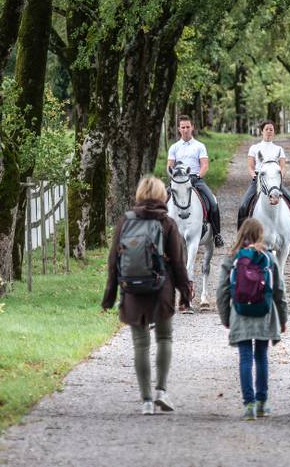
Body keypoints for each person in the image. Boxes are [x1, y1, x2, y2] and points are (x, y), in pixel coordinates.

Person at [101, 176, 192, 415]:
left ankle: (146, 401)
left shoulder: (125, 222)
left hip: (132, 290)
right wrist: (185, 294)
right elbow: (179, 264)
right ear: (163, 196)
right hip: (160, 289)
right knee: (164, 339)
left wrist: (109, 298)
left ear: (139, 195)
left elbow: (114, 262)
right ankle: (161, 389)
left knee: (140, 345)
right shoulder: (167, 224)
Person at [217, 218, 288, 420]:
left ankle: (248, 405)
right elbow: (279, 292)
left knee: (245, 357)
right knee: (262, 356)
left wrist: (226, 316)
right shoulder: (269, 257)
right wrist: (283, 318)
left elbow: (222, 291)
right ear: (260, 235)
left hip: (240, 314)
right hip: (265, 314)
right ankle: (262, 402)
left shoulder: (232, 258)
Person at [167, 115, 224, 247]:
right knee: (160, 203)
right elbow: (169, 166)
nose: (185, 129)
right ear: (179, 129)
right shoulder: (174, 147)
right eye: (183, 127)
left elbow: (205, 165)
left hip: (195, 178)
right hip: (179, 180)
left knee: (213, 203)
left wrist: (198, 176)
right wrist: (175, 178)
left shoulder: (199, 146)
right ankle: (160, 237)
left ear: (192, 127)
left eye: (188, 127)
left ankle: (216, 235)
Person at [237, 119, 290, 234]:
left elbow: (283, 167)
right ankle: (242, 238)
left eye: (271, 129)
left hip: (275, 182)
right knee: (243, 206)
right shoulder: (254, 148)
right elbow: (250, 167)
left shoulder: (279, 149)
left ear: (274, 132)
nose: (269, 131)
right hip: (258, 181)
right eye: (266, 129)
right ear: (262, 131)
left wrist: (279, 178)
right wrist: (255, 177)